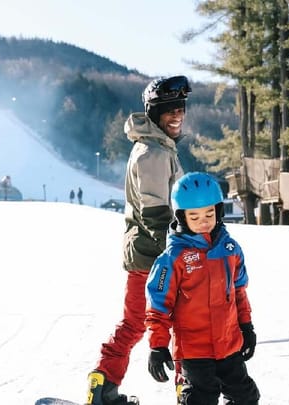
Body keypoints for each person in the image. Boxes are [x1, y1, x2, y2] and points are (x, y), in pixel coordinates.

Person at [86, 75, 191, 405]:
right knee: (183, 324)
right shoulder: (153, 154)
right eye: (169, 110)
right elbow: (155, 211)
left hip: (146, 253)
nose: (177, 115)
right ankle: (188, 391)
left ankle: (102, 385)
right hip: (155, 254)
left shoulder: (158, 148)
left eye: (181, 108)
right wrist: (178, 253)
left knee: (134, 322)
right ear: (154, 113)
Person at [145, 172, 259, 405]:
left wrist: (246, 326)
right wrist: (158, 345)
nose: (204, 221)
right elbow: (158, 305)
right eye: (194, 216)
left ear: (219, 211)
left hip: (229, 344)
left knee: (245, 397)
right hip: (194, 350)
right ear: (181, 217)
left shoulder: (230, 249)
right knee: (201, 398)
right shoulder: (173, 257)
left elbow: (239, 292)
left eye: (209, 213)